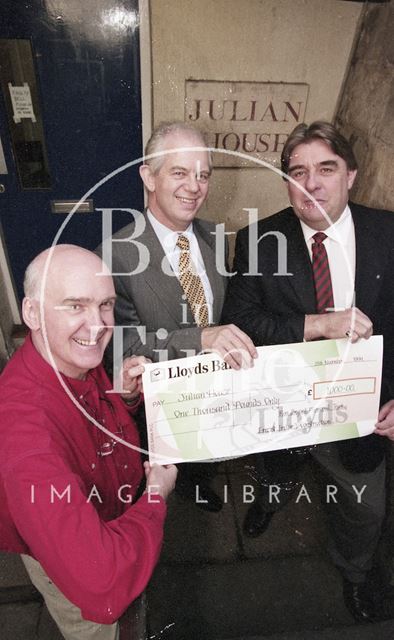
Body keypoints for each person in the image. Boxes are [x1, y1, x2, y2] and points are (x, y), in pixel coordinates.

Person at [222, 121, 394, 622]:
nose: (312, 184)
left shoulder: (387, 233)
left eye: (326, 169)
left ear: (351, 176)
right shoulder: (258, 239)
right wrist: (319, 324)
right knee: (274, 468)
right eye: (298, 173)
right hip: (284, 402)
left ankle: (356, 571)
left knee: (365, 508)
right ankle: (268, 503)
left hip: (362, 406)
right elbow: (243, 320)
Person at [0, 245, 177, 640]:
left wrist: (123, 396)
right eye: (75, 306)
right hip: (79, 569)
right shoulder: (25, 436)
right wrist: (156, 497)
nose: (97, 325)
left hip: (110, 512)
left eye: (106, 305)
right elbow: (103, 579)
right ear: (31, 313)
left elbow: (90, 420)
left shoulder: (69, 358)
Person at [98, 121, 256, 513]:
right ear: (148, 177)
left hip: (216, 397)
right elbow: (123, 346)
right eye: (180, 172)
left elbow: (225, 311)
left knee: (204, 463)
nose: (194, 186)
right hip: (160, 409)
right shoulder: (113, 255)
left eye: (203, 175)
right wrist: (200, 338)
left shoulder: (216, 236)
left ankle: (199, 480)